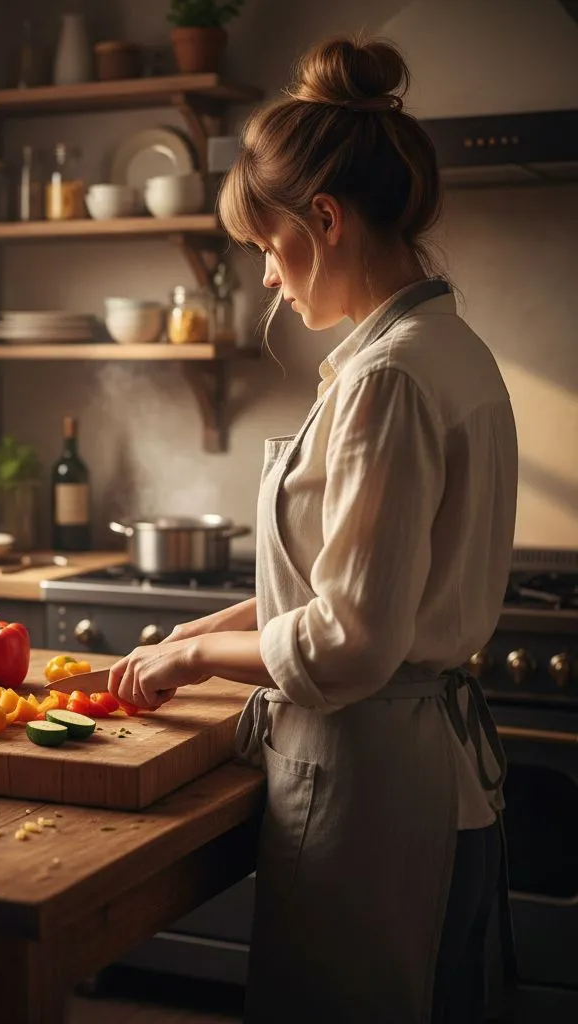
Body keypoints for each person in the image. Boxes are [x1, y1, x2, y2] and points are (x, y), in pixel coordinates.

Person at [107, 35, 518, 1024]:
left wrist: (191, 662)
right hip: (435, 787)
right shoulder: (447, 349)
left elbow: (350, 641)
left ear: (324, 221)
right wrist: (204, 630)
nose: (267, 280)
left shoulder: (389, 377)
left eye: (266, 247)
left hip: (377, 802)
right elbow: (344, 587)